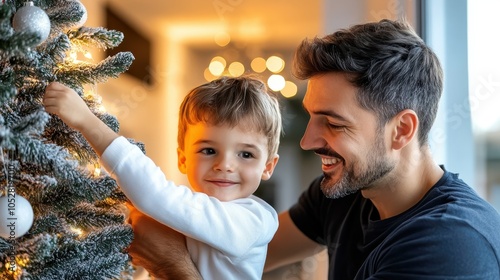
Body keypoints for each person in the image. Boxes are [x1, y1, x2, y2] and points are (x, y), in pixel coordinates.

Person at [124, 19, 500, 279]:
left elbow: (190, 260)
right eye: (310, 118)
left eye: (333, 123)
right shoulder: (344, 193)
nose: (306, 141)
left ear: (401, 130)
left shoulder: (451, 245)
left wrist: (174, 267)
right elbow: (230, 251)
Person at [43, 76, 282, 280]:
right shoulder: (190, 211)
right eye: (209, 150)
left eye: (246, 154)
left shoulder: (253, 220)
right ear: (183, 158)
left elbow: (154, 194)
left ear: (268, 166)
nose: (225, 165)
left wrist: (87, 121)